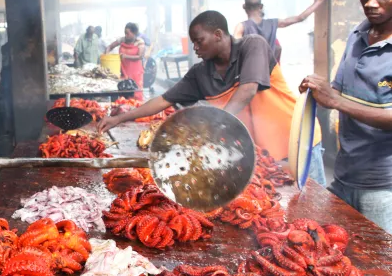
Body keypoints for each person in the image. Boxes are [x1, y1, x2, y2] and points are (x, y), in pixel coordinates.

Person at [99, 10, 326, 185]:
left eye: (199, 41)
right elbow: (162, 100)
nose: (195, 48)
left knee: (312, 209)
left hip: (297, 142)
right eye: (193, 42)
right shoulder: (200, 74)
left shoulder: (252, 45)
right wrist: (120, 118)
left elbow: (247, 90)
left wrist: (211, 129)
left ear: (218, 34)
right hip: (264, 157)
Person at [300, 0, 392, 232]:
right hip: (344, 176)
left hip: (383, 187)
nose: (370, 3)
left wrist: (335, 100)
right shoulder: (358, 34)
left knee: (382, 269)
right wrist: (317, 90)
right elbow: (339, 91)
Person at [233, 0, 336, 62]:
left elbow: (235, 48)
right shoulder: (273, 23)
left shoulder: (241, 27)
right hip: (271, 74)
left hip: (251, 73)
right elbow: (301, 17)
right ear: (261, 7)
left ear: (244, 7)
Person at [106, 23, 146, 99]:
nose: (126, 35)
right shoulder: (122, 39)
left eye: (127, 33)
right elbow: (110, 46)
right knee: (123, 93)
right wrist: (107, 54)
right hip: (123, 70)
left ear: (134, 33)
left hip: (135, 72)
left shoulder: (140, 42)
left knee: (135, 93)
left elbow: (140, 56)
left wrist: (125, 56)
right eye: (125, 33)